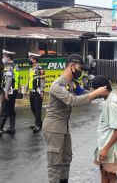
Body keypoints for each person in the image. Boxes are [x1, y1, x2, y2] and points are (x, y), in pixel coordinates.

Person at [42, 54, 108, 183]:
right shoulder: (58, 85)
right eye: (80, 68)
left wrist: (102, 93)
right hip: (53, 126)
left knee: (66, 158)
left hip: (64, 126)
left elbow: (83, 94)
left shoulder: (72, 83)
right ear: (72, 66)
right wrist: (96, 93)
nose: (81, 71)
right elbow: (73, 101)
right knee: (55, 162)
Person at [91, 75, 117, 183]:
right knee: (103, 171)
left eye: (95, 90)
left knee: (111, 176)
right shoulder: (108, 100)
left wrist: (106, 149)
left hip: (110, 149)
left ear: (102, 89)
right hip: (104, 146)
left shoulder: (112, 104)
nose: (94, 92)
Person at [0, 49, 20, 137]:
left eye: (3, 56)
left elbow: (9, 80)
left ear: (8, 57)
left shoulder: (9, 67)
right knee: (11, 110)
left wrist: (6, 92)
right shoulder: (15, 66)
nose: (2, 58)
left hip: (9, 91)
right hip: (14, 91)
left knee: (4, 110)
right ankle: (11, 128)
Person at [26, 52, 46, 133]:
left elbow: (42, 81)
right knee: (33, 108)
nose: (29, 60)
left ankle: (37, 125)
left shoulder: (40, 69)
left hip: (38, 92)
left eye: (31, 58)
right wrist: (26, 90)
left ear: (34, 60)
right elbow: (29, 80)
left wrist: (41, 91)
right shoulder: (30, 69)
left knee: (38, 109)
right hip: (31, 92)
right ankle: (39, 122)